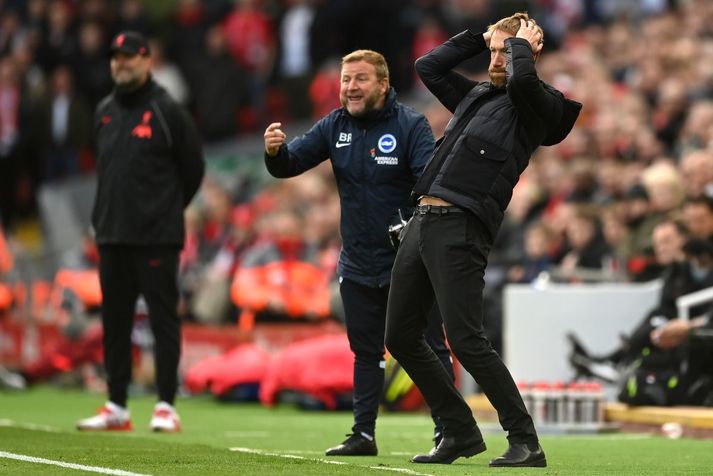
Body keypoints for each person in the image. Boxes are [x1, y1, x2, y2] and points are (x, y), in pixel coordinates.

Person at [384, 12, 581, 466]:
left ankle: (525, 441)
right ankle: (458, 432)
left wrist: (520, 52)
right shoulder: (477, 95)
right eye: (492, 53)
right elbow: (428, 66)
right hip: (423, 219)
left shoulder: (539, 105)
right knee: (400, 334)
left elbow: (525, 87)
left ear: (529, 54)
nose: (495, 60)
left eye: (503, 52)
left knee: (466, 339)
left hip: (462, 224)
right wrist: (480, 36)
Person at [263, 49, 455, 456]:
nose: (350, 87)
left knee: (431, 347)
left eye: (360, 79)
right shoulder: (335, 126)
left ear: (383, 85)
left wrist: (411, 226)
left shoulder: (411, 125)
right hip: (357, 262)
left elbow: (428, 180)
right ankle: (363, 434)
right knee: (365, 353)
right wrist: (275, 152)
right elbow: (290, 165)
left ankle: (448, 430)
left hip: (409, 262)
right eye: (345, 79)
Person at [76, 31, 205, 432]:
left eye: (129, 57)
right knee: (114, 322)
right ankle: (117, 404)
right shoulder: (104, 111)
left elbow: (194, 169)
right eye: (116, 58)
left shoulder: (167, 110)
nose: (121, 64)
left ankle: (166, 403)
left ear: (147, 61)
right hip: (112, 235)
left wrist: (164, 211)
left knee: (162, 319)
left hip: (156, 236)